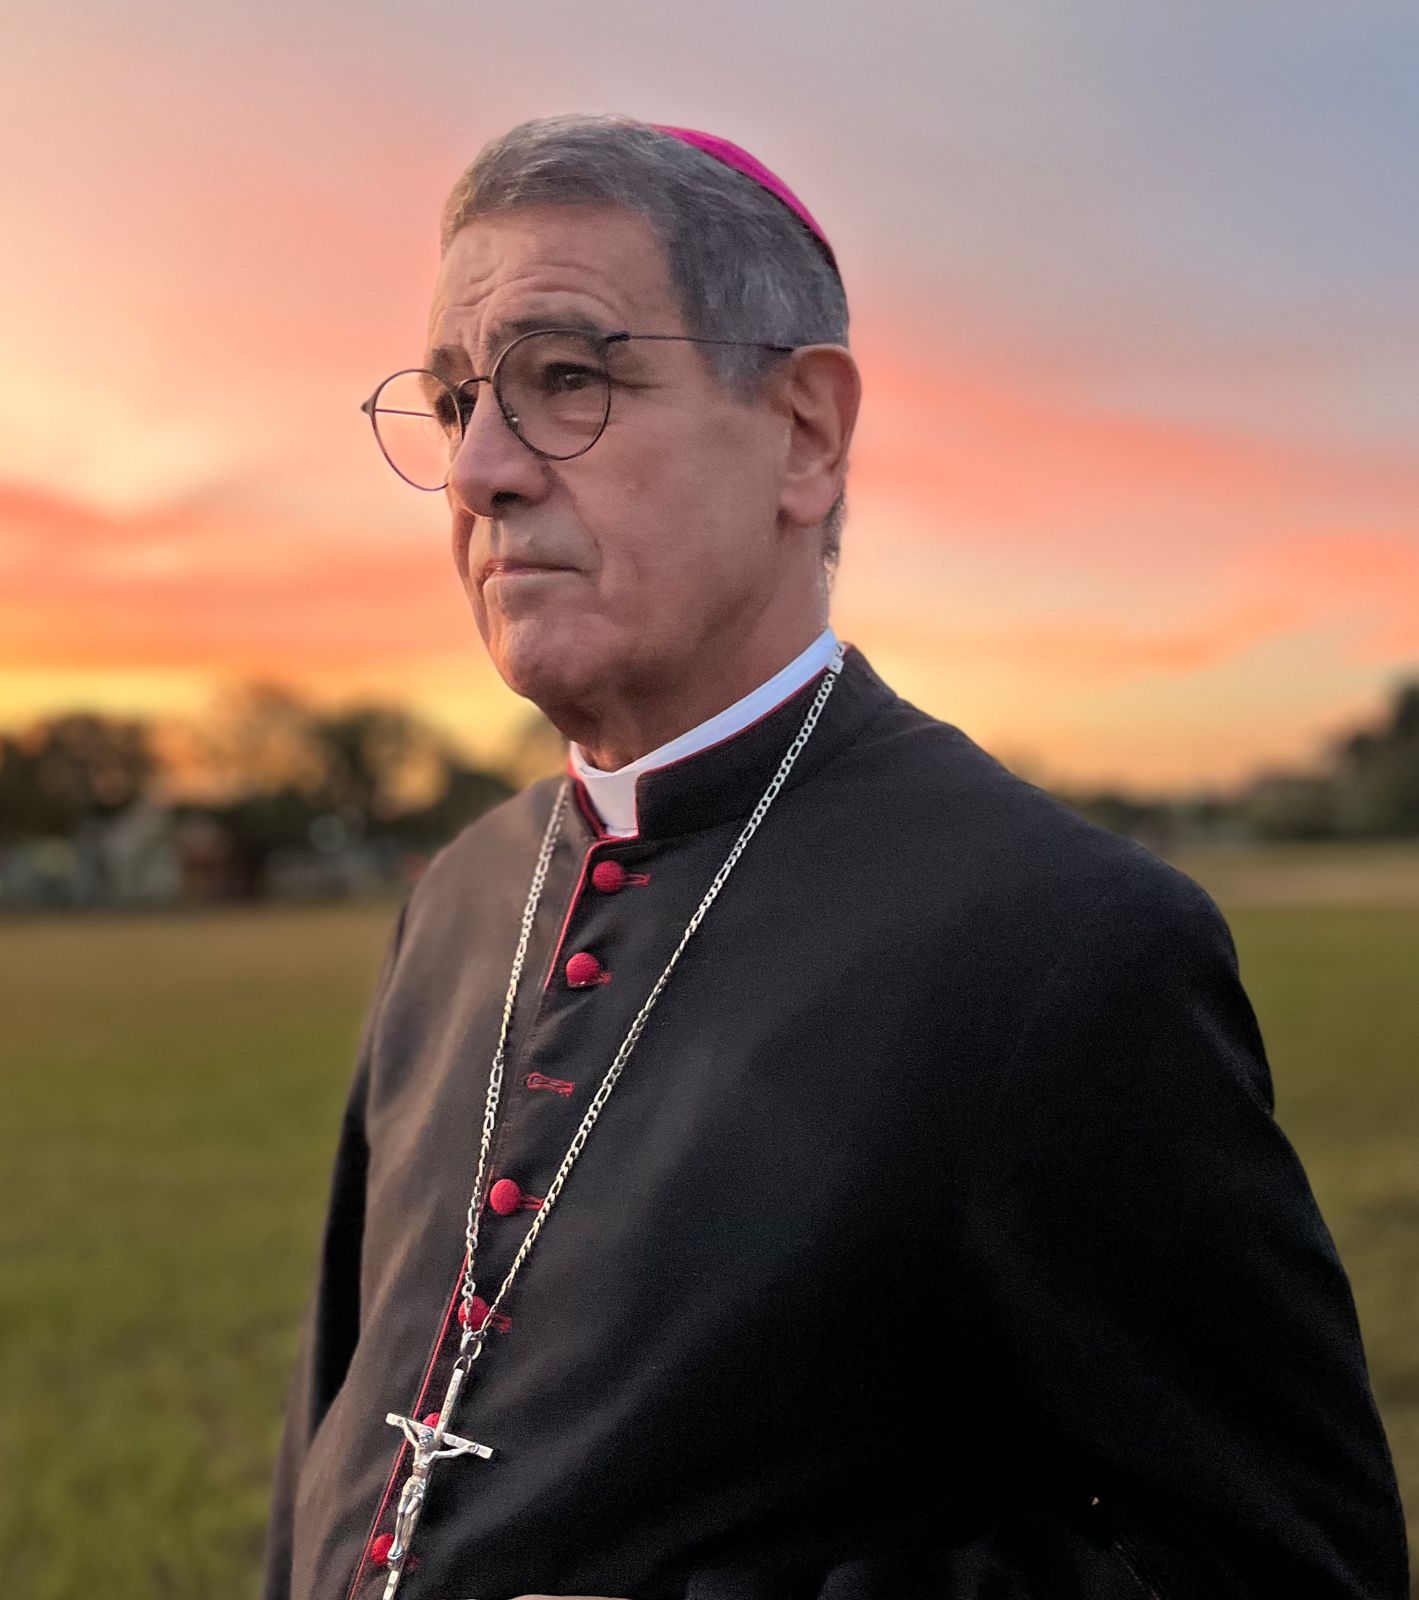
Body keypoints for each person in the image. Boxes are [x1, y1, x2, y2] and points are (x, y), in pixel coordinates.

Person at [261, 112, 1408, 1600]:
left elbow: (1282, 1566)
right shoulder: (462, 894)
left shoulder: (1061, 940)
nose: (481, 469)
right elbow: (338, 1434)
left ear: (804, 433)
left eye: (567, 380)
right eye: (455, 401)